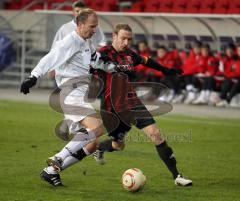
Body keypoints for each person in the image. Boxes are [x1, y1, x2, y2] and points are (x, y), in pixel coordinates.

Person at [59, 24, 192, 187]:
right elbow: (86, 70)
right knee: (118, 144)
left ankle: (177, 176)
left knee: (155, 134)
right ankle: (99, 148)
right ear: (114, 36)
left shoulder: (130, 55)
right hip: (112, 109)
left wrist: (166, 70)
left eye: (129, 39)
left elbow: (147, 61)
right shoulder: (102, 54)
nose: (126, 42)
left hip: (133, 103)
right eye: (123, 38)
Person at [20, 9, 110, 187]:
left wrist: (111, 64)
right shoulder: (70, 40)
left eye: (96, 27)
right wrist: (34, 76)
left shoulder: (85, 42)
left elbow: (94, 58)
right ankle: (57, 158)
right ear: (80, 24)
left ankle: (51, 171)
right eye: (92, 27)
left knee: (92, 144)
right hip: (71, 95)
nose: (94, 30)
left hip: (79, 96)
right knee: (98, 127)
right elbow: (52, 56)